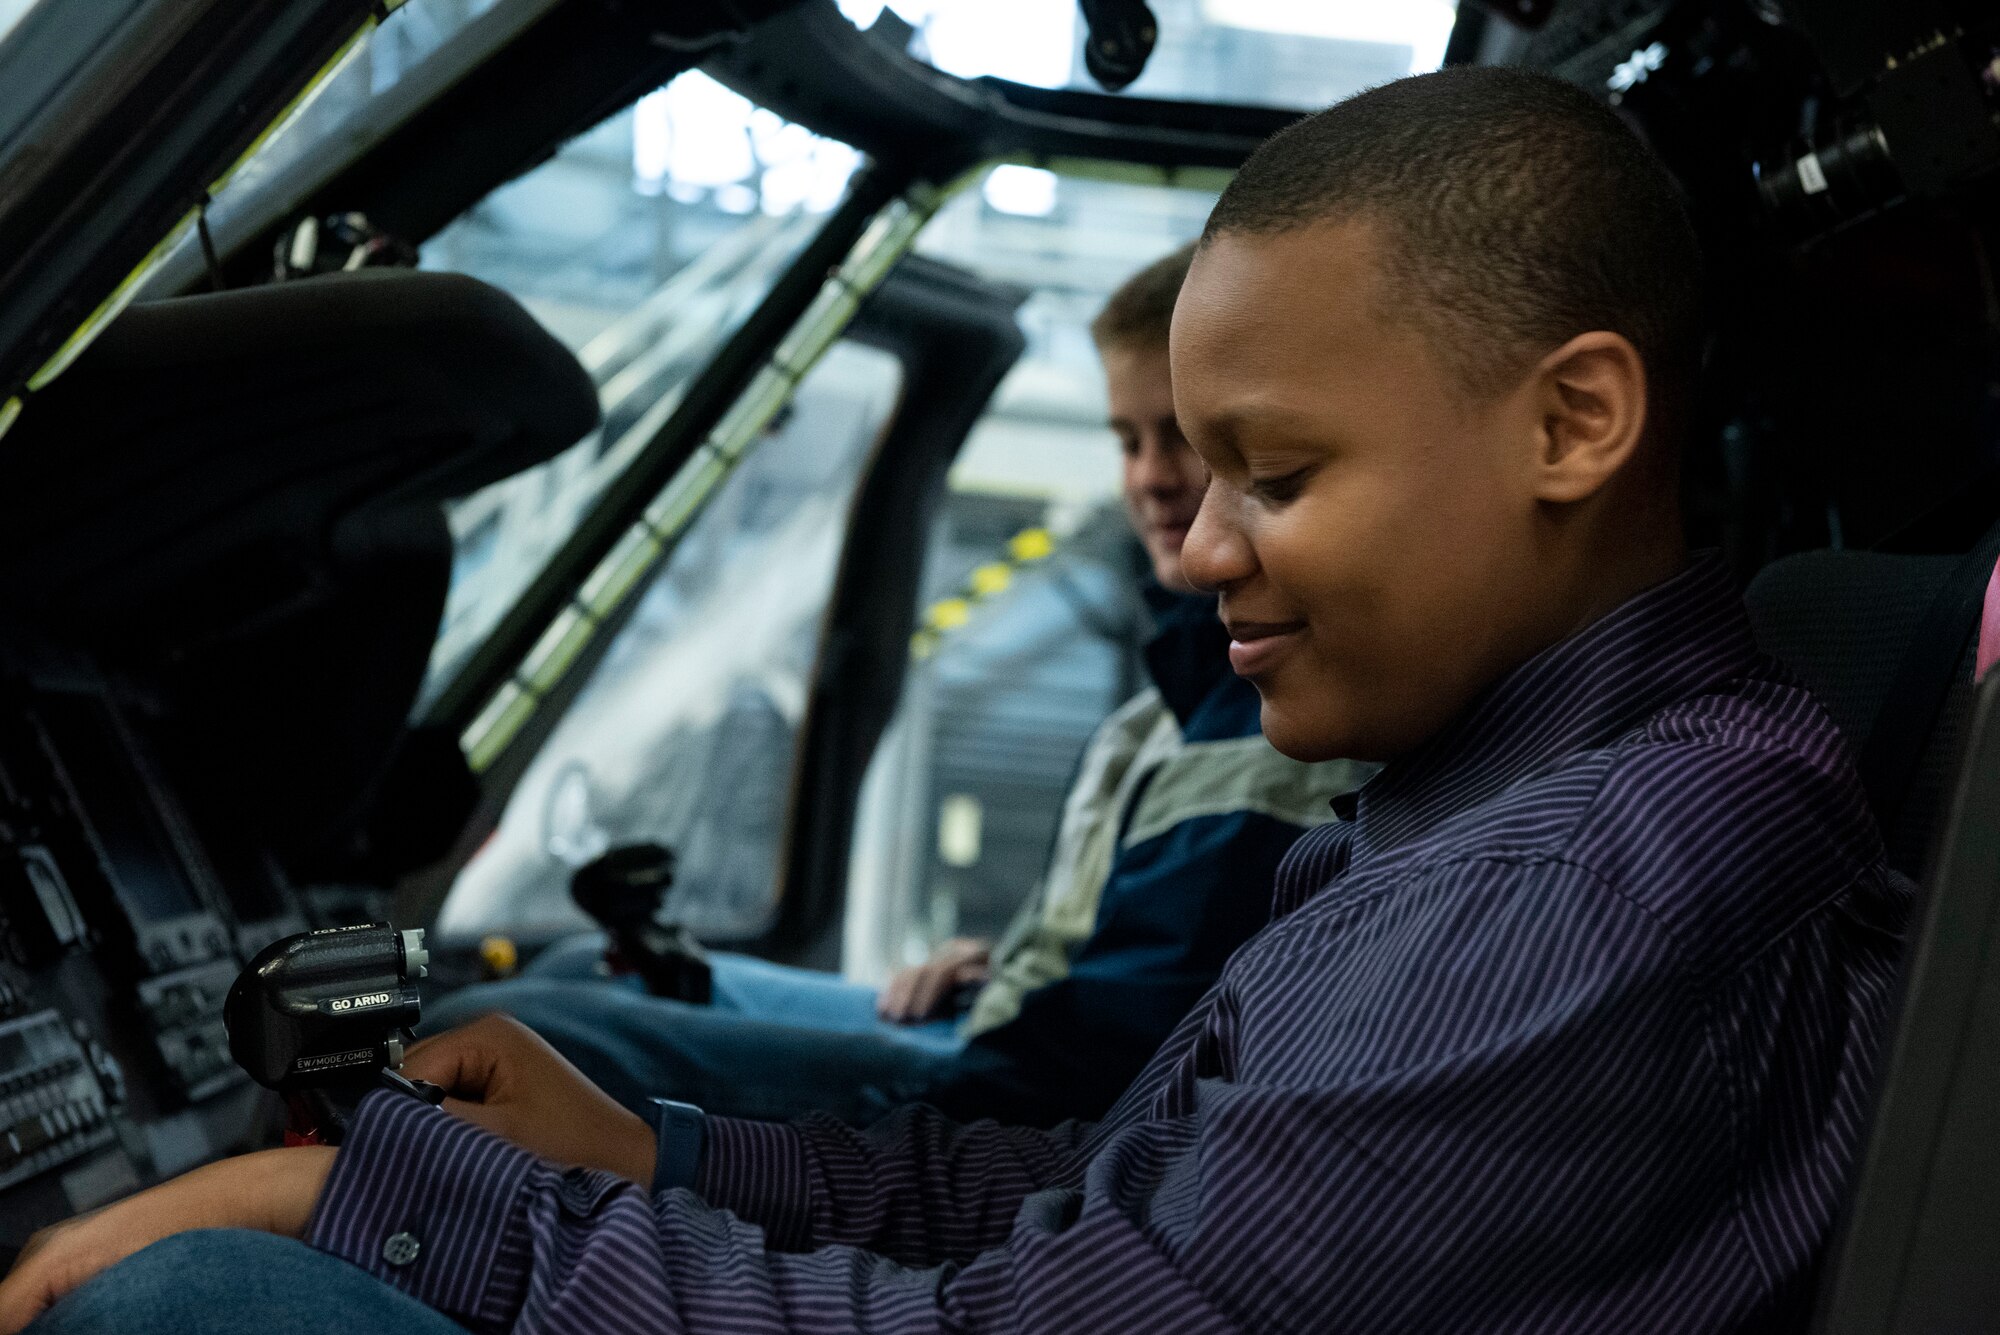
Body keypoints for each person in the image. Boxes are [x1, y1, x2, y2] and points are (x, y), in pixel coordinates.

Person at [2, 67, 1911, 1335]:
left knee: (191, 1313)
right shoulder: (1508, 811)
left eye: (1278, 478)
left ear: (1573, 422)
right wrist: (653, 1155)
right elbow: (1092, 1192)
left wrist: (377, 1213)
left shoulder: (1584, 883)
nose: (1197, 551)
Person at [419, 243, 1369, 1128]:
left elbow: (1102, 1055)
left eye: (1183, 439)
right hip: (998, 1021)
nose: (1153, 479)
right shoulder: (1170, 698)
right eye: (1128, 440)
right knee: (587, 964)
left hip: (998, 1089)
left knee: (507, 1023)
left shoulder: (1275, 720)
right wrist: (1017, 967)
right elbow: (1149, 962)